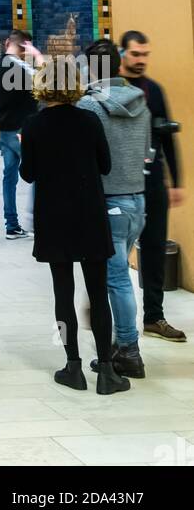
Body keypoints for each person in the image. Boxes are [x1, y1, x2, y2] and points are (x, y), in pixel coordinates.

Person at [19, 66, 129, 394]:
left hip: (54, 217)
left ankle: (73, 367)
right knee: (97, 293)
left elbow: (28, 174)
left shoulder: (34, 125)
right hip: (90, 214)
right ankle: (107, 372)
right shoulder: (90, 121)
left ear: (43, 86)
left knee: (63, 293)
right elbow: (105, 166)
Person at [77, 38, 151, 379]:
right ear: (119, 66)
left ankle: (129, 350)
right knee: (120, 277)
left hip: (110, 203)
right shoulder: (142, 103)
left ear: (92, 68)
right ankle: (124, 344)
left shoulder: (89, 107)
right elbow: (147, 151)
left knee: (118, 279)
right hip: (138, 200)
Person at [119, 30, 187, 342]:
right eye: (135, 54)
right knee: (115, 252)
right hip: (119, 184)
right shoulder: (111, 90)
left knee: (155, 248)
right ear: (122, 54)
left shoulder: (154, 90)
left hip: (153, 181)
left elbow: (167, 136)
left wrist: (176, 181)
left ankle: (154, 317)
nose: (141, 61)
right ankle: (112, 317)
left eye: (145, 55)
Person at [0, 30, 38, 240]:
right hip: (23, 130)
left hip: (5, 128)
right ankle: (37, 222)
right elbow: (47, 82)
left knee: (9, 177)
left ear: (7, 42)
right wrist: (37, 57)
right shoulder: (23, 68)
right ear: (25, 47)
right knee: (40, 173)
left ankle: (12, 225)